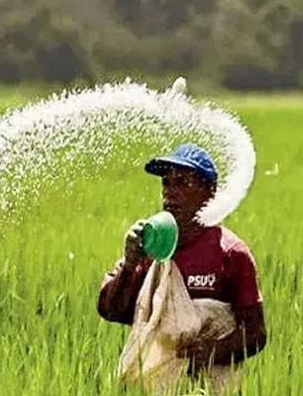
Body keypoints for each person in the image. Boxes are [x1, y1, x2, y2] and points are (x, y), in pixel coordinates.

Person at [97, 144, 266, 376]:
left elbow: (256, 333)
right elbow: (112, 311)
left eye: (183, 183)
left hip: (211, 384)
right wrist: (129, 264)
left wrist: (210, 352)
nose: (170, 192)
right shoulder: (150, 247)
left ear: (210, 192)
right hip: (151, 384)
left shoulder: (230, 252)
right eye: (166, 183)